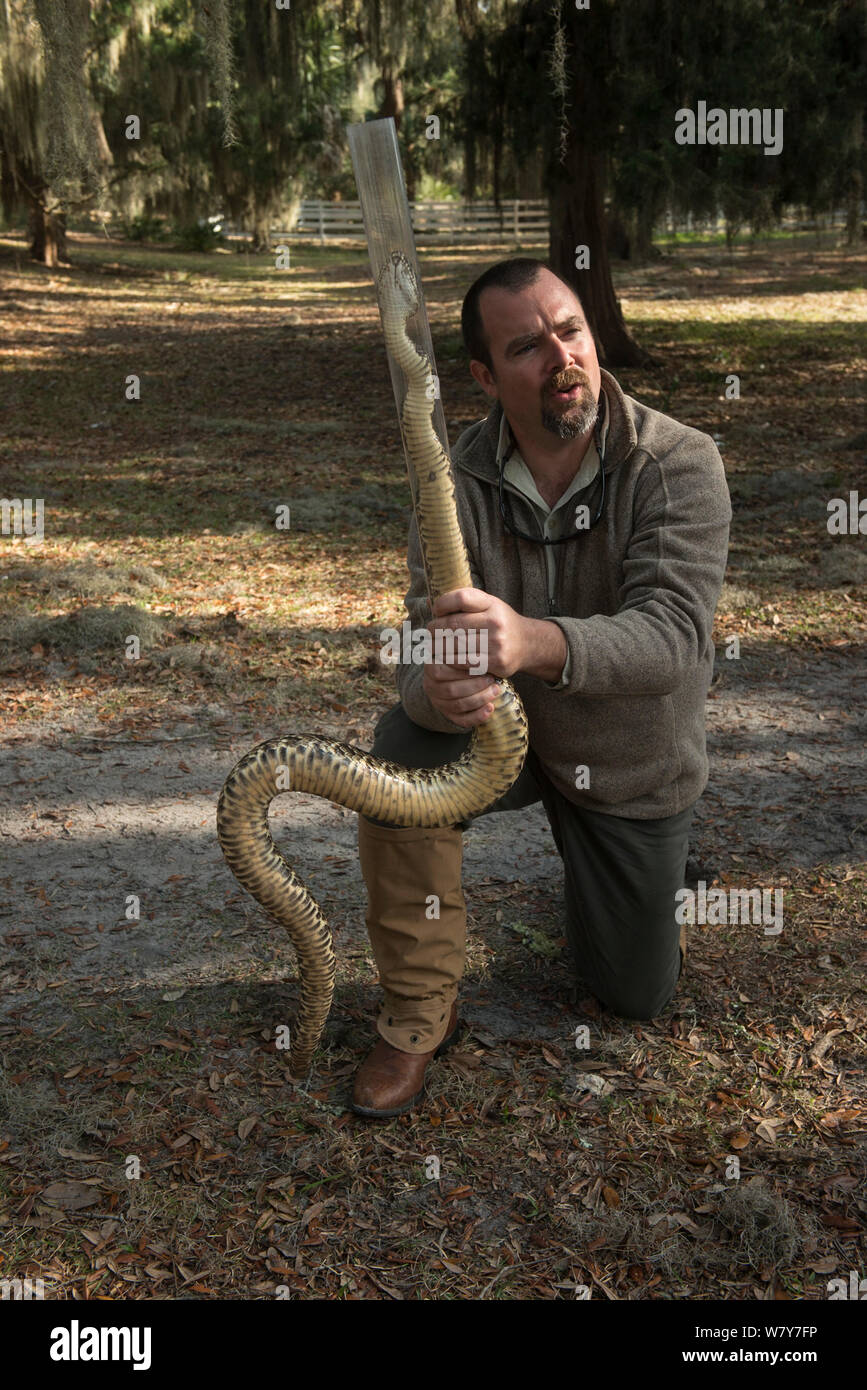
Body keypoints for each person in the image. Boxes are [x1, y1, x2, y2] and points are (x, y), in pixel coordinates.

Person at [352, 258, 732, 1118]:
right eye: (526, 346)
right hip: (503, 744)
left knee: (632, 995)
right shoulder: (449, 479)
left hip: (629, 762)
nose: (561, 357)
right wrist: (433, 693)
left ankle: (617, 875)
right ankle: (417, 1014)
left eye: (570, 330)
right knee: (399, 762)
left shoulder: (676, 462)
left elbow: (675, 640)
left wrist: (530, 639)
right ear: (485, 376)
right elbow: (425, 629)